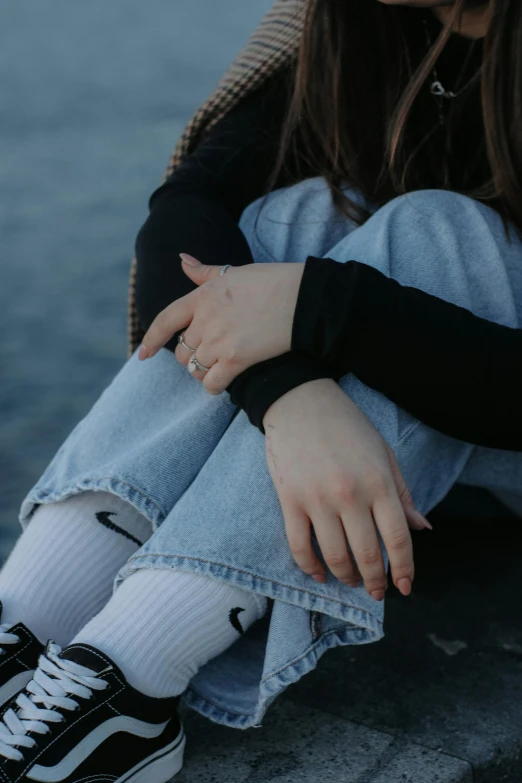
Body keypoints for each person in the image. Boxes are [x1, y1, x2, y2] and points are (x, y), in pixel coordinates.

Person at [0, 0, 521, 781]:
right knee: (293, 214)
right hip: (408, 460)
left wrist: (324, 306)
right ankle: (27, 622)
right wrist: (289, 398)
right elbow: (185, 215)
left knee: (438, 231)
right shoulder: (339, 22)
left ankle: (135, 667)